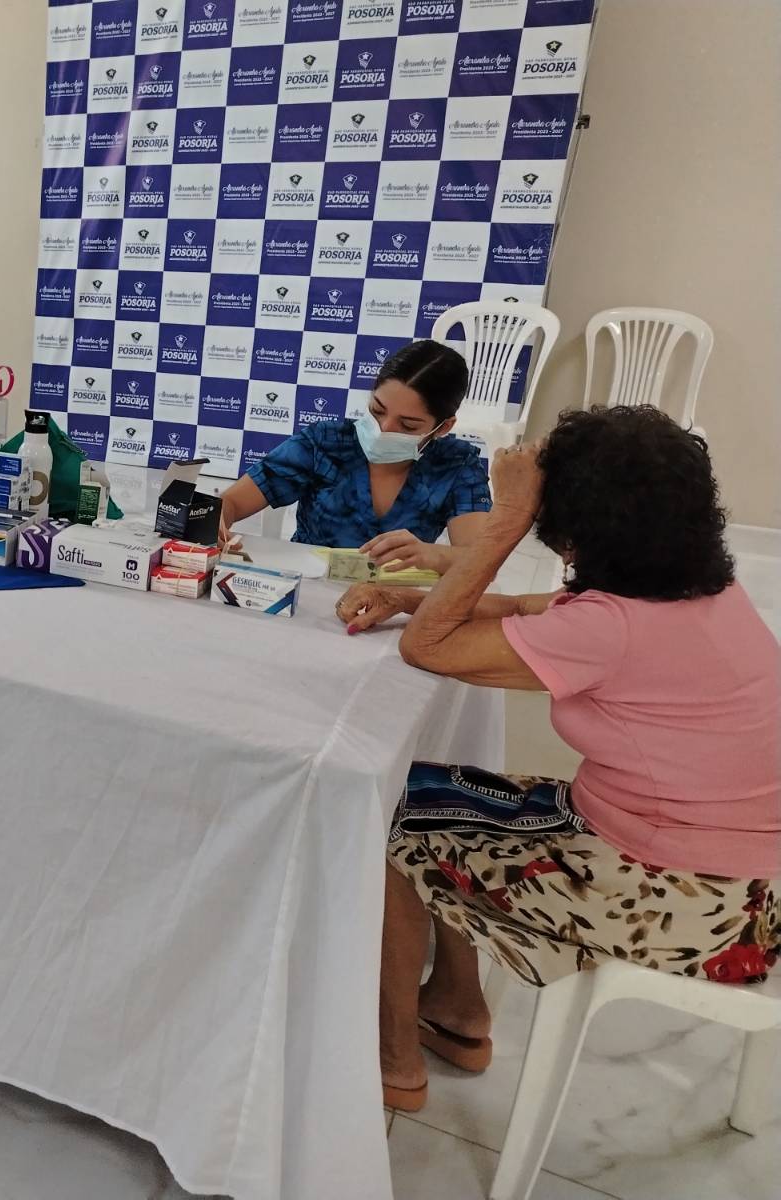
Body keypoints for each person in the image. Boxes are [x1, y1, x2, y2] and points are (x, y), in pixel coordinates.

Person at [335, 406, 779, 1111]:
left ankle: (396, 1060)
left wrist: (506, 519)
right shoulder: (703, 590)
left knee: (385, 818)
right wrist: (404, 595)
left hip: (675, 895)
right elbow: (529, 607)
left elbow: (429, 648)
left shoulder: (609, 628)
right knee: (430, 796)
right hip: (744, 883)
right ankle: (457, 1009)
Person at [217, 340, 490, 573]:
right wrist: (216, 520)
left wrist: (433, 555)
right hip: (307, 584)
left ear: (443, 427)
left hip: (393, 598)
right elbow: (231, 502)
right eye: (377, 410)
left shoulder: (456, 464)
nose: (384, 429)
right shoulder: (326, 443)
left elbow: (480, 560)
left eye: (407, 426)